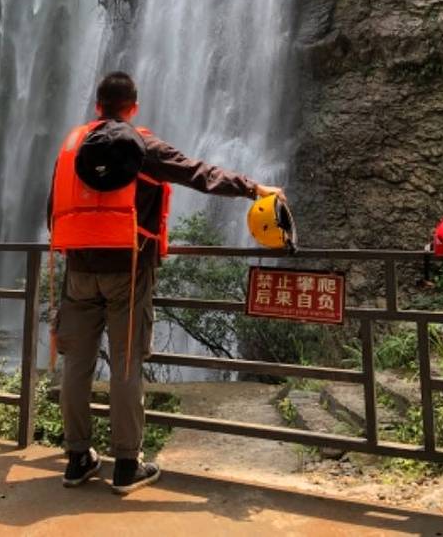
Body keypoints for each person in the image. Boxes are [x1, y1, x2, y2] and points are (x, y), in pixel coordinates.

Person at [48, 71, 286, 495]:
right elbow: (198, 173)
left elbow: (54, 210)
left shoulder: (72, 147)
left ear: (98, 106)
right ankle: (126, 464)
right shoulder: (141, 145)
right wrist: (254, 188)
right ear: (133, 107)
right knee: (125, 365)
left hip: (78, 271)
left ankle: (77, 458)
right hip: (129, 269)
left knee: (76, 367)